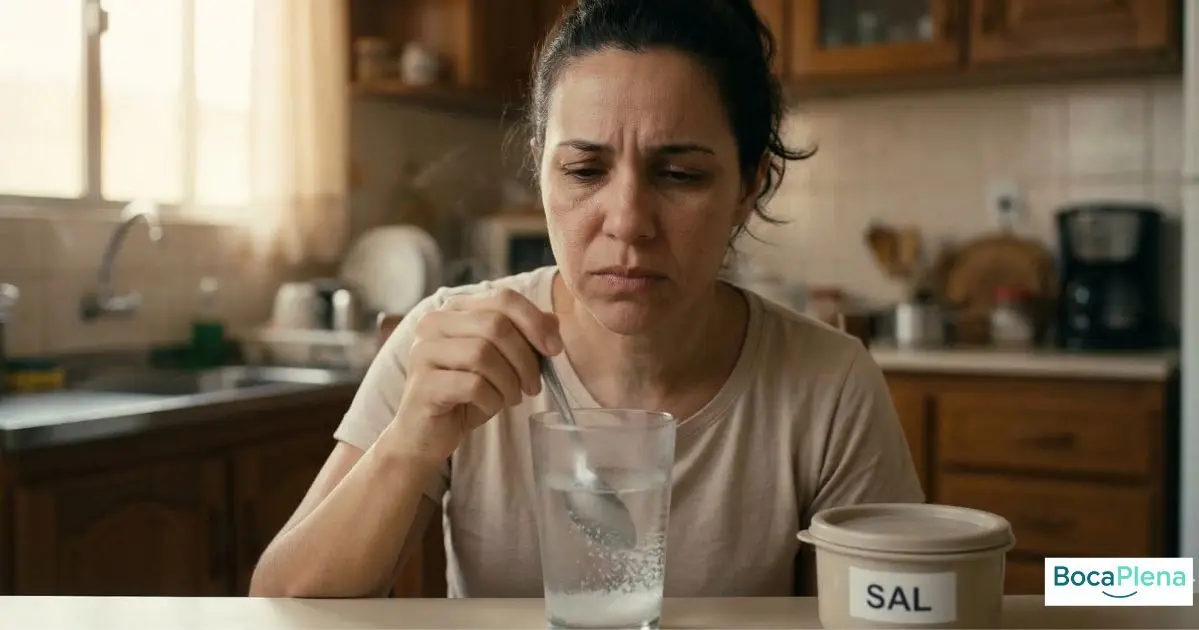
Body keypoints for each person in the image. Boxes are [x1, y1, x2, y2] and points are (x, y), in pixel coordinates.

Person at [249, 0, 924, 600]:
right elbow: (281, 597)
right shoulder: (448, 342)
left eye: (680, 174)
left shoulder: (830, 385)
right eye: (583, 170)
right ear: (540, 166)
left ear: (750, 184)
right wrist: (408, 445)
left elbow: (891, 607)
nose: (627, 219)